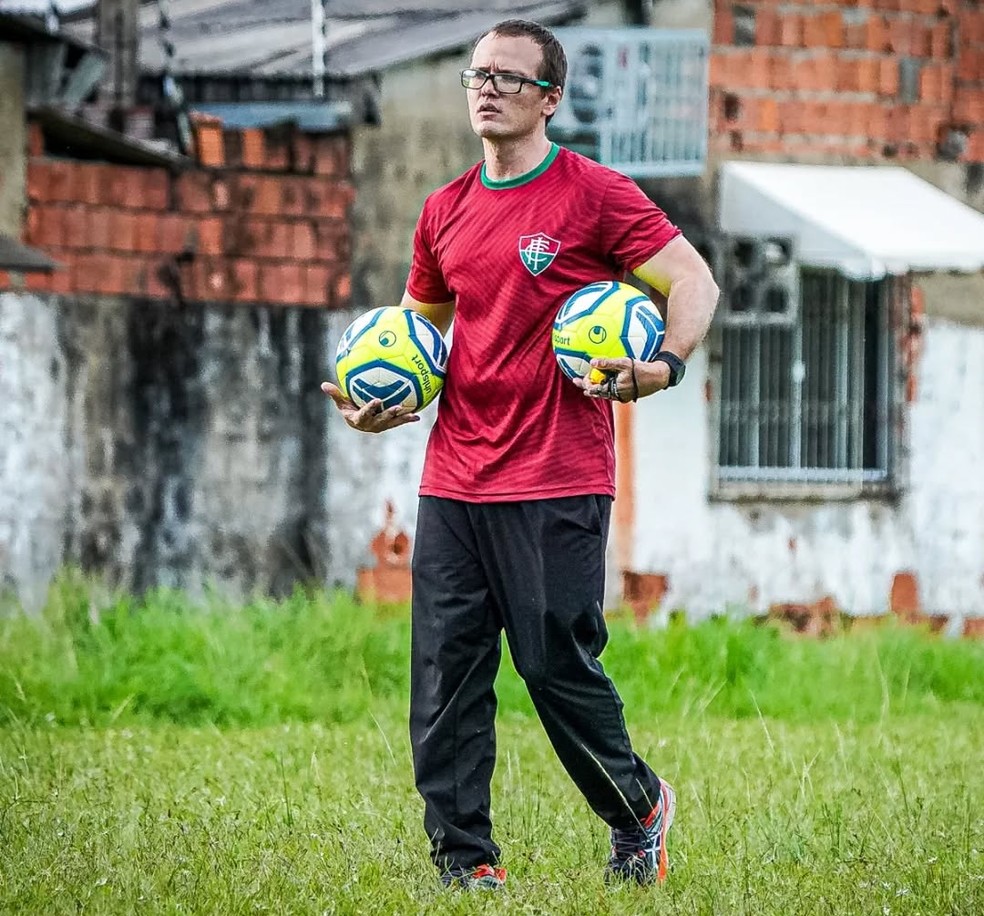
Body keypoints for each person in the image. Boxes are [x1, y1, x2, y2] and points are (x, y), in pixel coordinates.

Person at [321, 18, 719, 890]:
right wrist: (382, 406)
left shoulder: (594, 194)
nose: (488, 87)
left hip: (559, 474)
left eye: (508, 76)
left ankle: (639, 808)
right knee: (446, 677)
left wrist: (660, 368)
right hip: (456, 478)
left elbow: (694, 280)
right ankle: (469, 866)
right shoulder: (443, 211)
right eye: (477, 73)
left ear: (550, 97)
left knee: (551, 664)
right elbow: (418, 337)